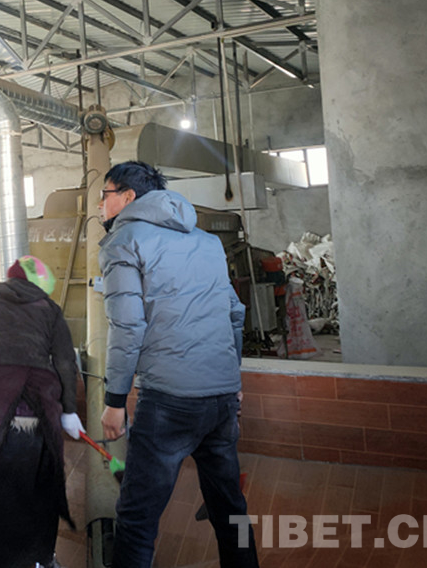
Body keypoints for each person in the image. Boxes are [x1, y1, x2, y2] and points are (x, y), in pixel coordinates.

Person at [97, 161, 258, 568]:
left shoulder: (122, 241)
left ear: (127, 197)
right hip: (221, 398)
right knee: (230, 507)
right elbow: (234, 313)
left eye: (105, 194)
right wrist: (232, 380)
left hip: (169, 402)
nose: (100, 204)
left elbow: (127, 326)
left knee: (137, 519)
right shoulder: (207, 241)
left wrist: (114, 400)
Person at [0, 255, 84, 568]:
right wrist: (69, 412)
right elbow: (65, 362)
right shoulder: (49, 308)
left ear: (9, 278)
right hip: (34, 409)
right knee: (39, 481)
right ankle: (40, 559)